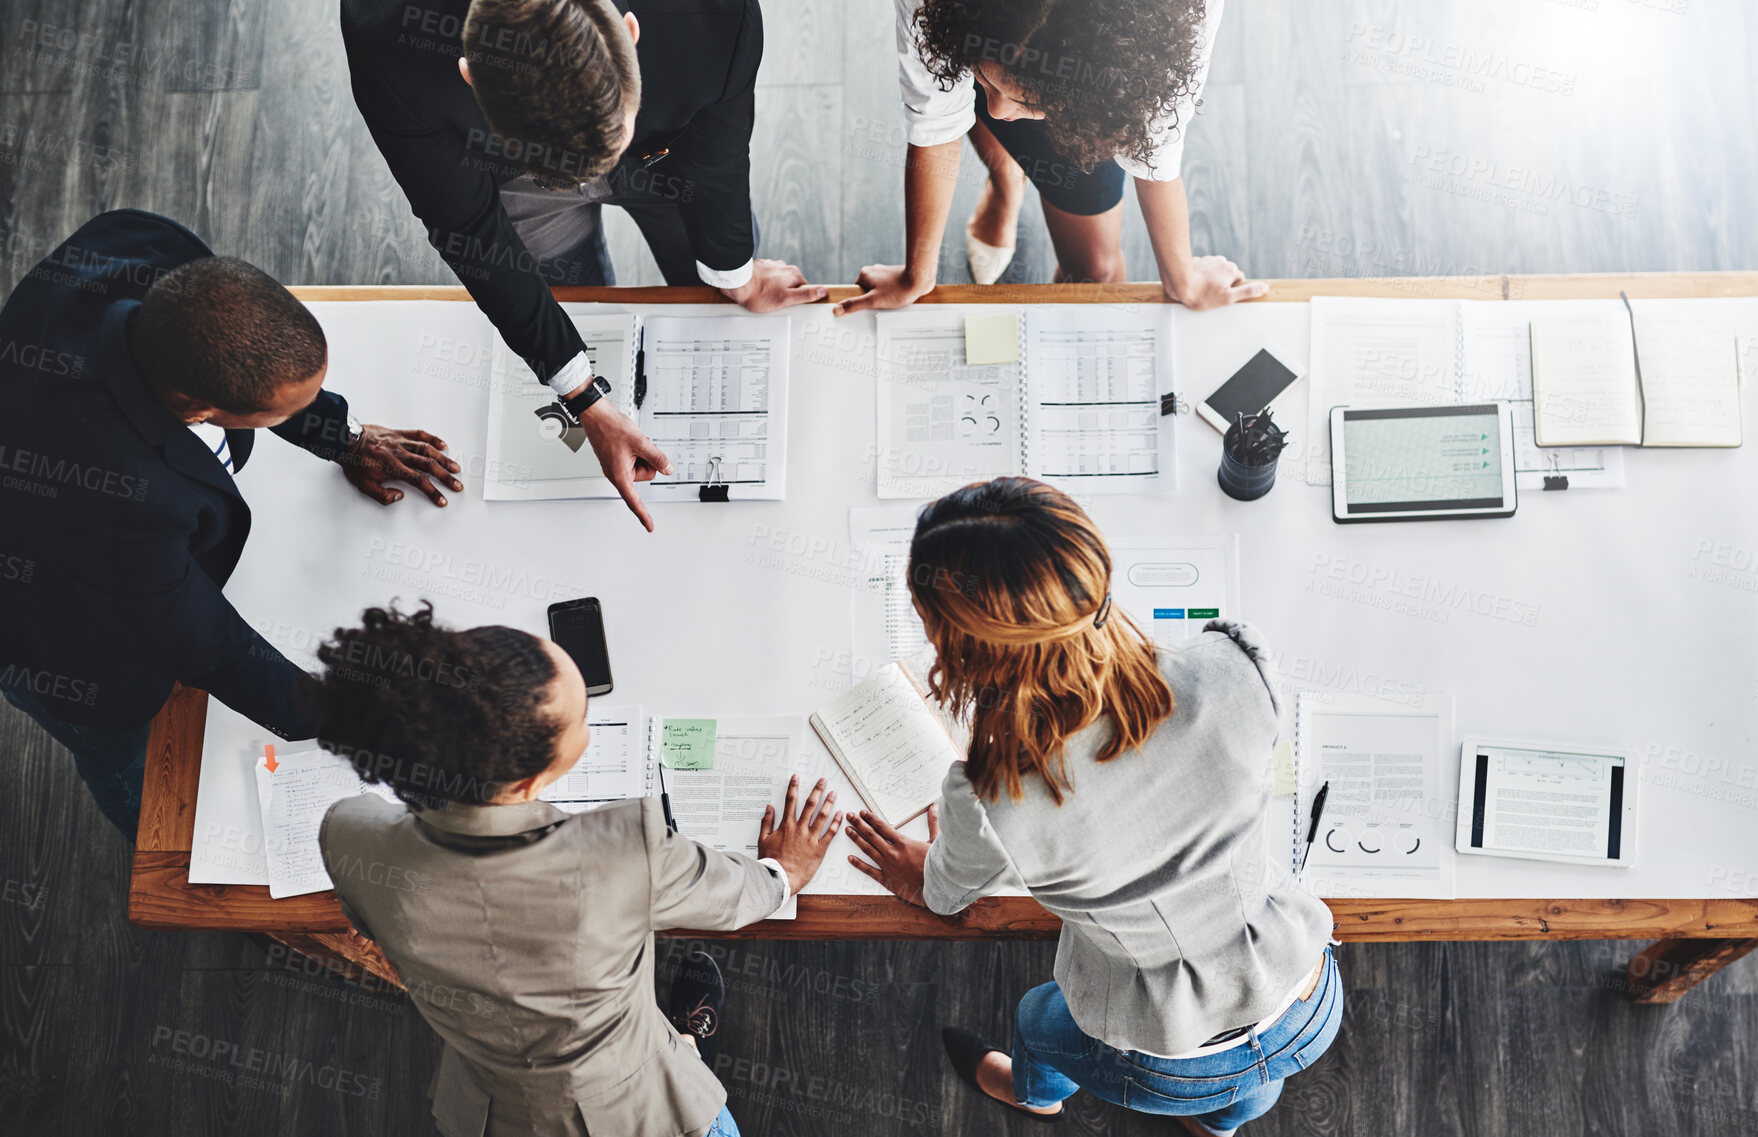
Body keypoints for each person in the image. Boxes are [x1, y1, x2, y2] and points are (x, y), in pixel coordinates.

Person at [846, 477, 1339, 1136]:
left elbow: (946, 893)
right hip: (1307, 997)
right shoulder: (1234, 662)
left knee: (1035, 1022)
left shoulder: (993, 795)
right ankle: (1222, 1123)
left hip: (1167, 1056)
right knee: (1249, 1087)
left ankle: (1036, 1095)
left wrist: (926, 874)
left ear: (967, 651)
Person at [0, 209, 459, 841]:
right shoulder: (120, 496)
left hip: (108, 538)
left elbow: (244, 359)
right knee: (134, 769)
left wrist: (344, 438)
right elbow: (209, 646)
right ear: (199, 411)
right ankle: (175, 861)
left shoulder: (146, 248)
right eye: (278, 414)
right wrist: (356, 721)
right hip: (67, 640)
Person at [312, 603, 844, 1137]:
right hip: (634, 1112)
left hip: (490, 1110)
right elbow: (729, 897)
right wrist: (783, 873)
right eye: (581, 717)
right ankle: (684, 1044)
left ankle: (680, 1040)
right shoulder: (624, 853)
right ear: (526, 783)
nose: (587, 722)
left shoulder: (349, 834)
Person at [342, 0, 827, 530]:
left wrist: (737, 274)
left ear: (631, 29)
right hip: (514, 180)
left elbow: (719, 157)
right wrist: (583, 394)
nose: (587, 183)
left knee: (709, 292)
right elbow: (466, 228)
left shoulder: (714, 13)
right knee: (579, 301)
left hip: (664, 156)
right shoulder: (386, 31)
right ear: (468, 72)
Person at [835, 0, 1263, 316]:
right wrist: (917, 275)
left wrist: (1183, 278)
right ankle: (1004, 180)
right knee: (964, 90)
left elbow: (1156, 149)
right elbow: (937, 118)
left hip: (1084, 71)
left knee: (1095, 268)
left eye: (1027, 103)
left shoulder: (1181, 18)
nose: (1000, 111)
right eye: (986, 77)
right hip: (978, 26)